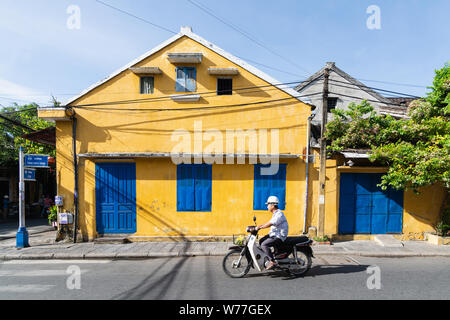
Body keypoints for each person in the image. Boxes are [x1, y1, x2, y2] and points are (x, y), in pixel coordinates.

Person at [256, 196, 289, 270]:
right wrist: (260, 226)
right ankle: (268, 257)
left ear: (273, 205)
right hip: (274, 234)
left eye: (268, 205)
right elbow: (269, 222)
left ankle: (272, 261)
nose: (267, 206)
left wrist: (261, 227)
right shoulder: (275, 214)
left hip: (279, 236)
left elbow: (271, 223)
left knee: (264, 244)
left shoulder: (279, 214)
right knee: (261, 241)